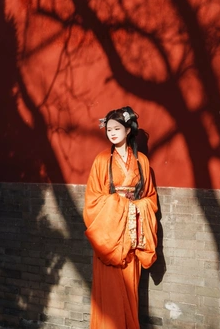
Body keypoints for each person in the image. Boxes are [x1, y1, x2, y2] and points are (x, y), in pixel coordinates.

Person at [83, 107, 158, 329]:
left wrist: (136, 207)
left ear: (128, 129)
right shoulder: (101, 160)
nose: (112, 133)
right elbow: (92, 200)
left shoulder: (142, 161)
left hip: (132, 232)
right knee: (108, 292)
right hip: (109, 234)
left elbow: (150, 198)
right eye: (109, 130)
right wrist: (119, 204)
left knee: (130, 287)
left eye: (117, 129)